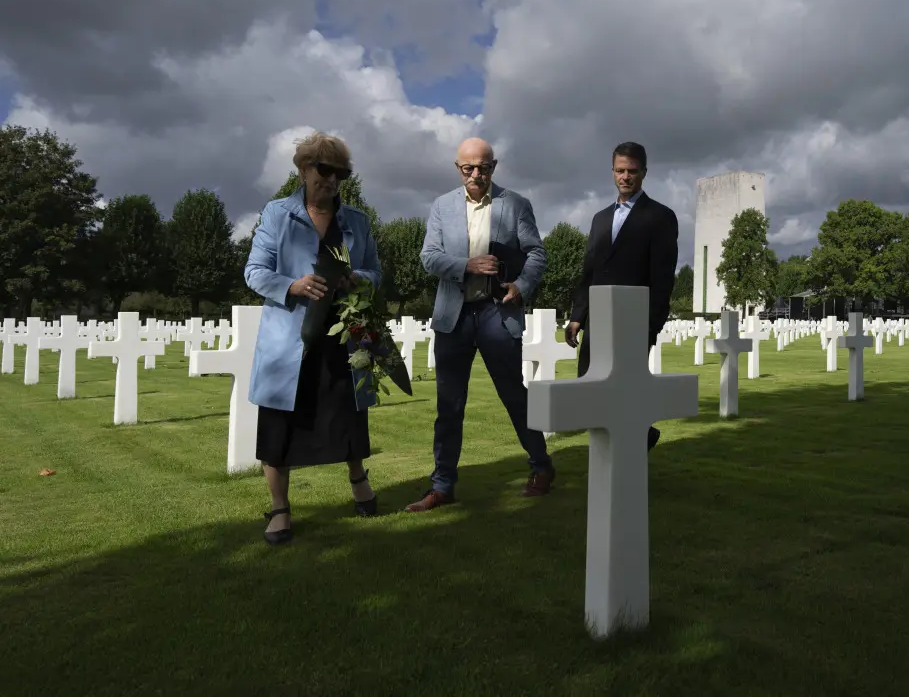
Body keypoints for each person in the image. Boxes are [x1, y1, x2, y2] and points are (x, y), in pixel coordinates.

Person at [245, 131, 382, 546]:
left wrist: (360, 279)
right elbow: (255, 271)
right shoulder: (277, 214)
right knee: (279, 425)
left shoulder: (355, 220)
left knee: (349, 414)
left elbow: (377, 271)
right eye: (324, 170)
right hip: (291, 338)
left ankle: (359, 481)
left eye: (340, 173)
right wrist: (293, 285)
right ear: (304, 169)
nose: (331, 180)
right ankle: (280, 509)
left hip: (343, 334)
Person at [407, 137, 552, 512]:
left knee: (514, 395)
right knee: (449, 405)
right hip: (454, 316)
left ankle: (541, 466)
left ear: (494, 166)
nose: (476, 174)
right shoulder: (442, 207)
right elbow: (429, 257)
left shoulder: (516, 204)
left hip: (496, 313)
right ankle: (442, 486)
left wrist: (522, 286)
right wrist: (466, 265)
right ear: (458, 168)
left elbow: (536, 252)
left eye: (484, 167)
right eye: (468, 168)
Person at [565, 141, 679, 451]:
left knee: (624, 396)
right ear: (612, 172)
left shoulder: (660, 217)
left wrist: (651, 326)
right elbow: (590, 271)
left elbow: (662, 277)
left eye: (631, 171)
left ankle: (624, 453)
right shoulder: (600, 218)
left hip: (633, 321)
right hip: (598, 320)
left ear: (644, 172)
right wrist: (577, 315)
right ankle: (644, 437)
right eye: (619, 170)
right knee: (588, 391)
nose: (625, 177)